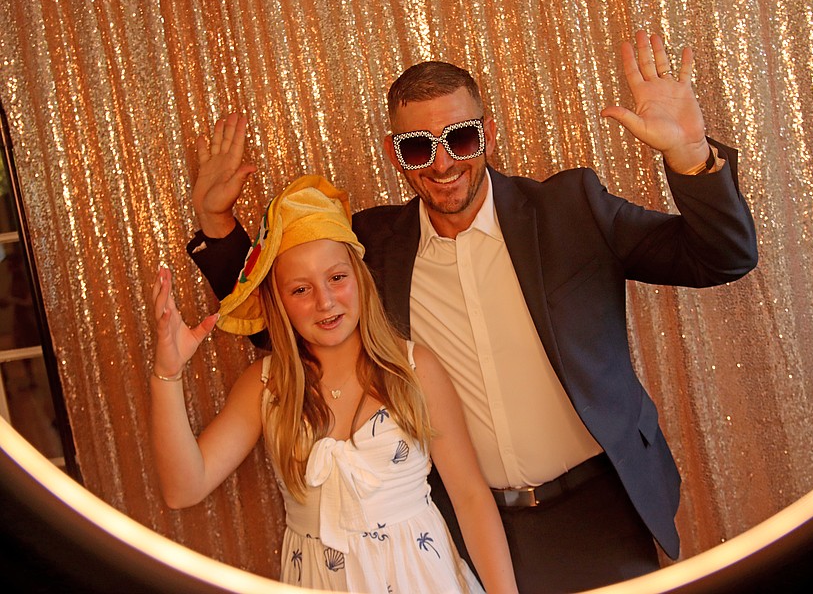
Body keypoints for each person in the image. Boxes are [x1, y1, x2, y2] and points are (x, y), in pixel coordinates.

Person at [187, 31, 758, 591]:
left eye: (460, 138)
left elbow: (722, 258)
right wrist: (217, 223)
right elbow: (289, 320)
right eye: (418, 147)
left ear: (487, 133)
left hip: (598, 512)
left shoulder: (570, 210)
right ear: (394, 154)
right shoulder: (372, 249)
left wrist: (690, 155)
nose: (442, 164)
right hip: (456, 530)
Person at [151, 176, 518, 592]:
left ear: (360, 277)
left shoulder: (415, 369)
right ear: (278, 301)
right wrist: (168, 374)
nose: (324, 302)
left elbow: (470, 497)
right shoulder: (266, 386)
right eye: (300, 289)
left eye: (337, 278)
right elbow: (184, 489)